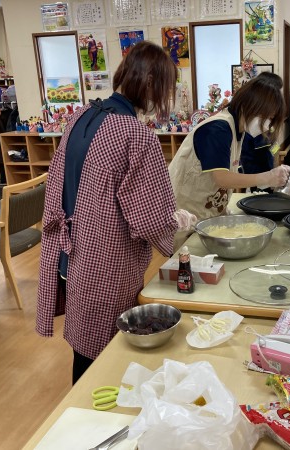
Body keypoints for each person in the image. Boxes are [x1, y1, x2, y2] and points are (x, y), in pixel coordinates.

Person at [36, 41, 196, 384]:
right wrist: (175, 221)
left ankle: (80, 406)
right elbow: (149, 218)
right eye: (165, 88)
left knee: (83, 346)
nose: (163, 99)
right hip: (106, 261)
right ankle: (92, 411)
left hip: (68, 253)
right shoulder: (135, 135)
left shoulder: (81, 116)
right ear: (150, 83)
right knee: (107, 354)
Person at [168, 72, 290, 231]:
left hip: (206, 213)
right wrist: (267, 177)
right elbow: (222, 178)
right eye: (267, 117)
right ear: (250, 106)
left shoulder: (238, 130)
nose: (267, 125)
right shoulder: (218, 129)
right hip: (185, 216)